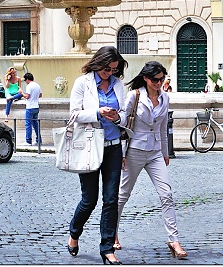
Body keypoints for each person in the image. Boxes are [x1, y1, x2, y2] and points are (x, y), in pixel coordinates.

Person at [116, 61, 187, 259]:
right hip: (135, 150)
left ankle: (174, 240)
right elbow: (123, 123)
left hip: (155, 151)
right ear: (146, 78)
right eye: (155, 80)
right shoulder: (134, 95)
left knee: (167, 194)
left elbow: (163, 127)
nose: (159, 83)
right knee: (123, 194)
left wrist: (165, 152)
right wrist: (122, 154)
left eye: (162, 79)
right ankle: (112, 233)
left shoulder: (165, 97)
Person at [66, 46, 128, 265]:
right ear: (98, 63)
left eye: (113, 70)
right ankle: (74, 233)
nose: (109, 73)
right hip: (90, 146)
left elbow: (125, 117)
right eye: (106, 68)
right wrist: (97, 113)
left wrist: (116, 118)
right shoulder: (82, 83)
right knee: (89, 199)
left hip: (112, 147)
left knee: (111, 199)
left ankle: (107, 248)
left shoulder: (118, 85)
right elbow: (73, 114)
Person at [22, 72, 42, 146]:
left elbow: (27, 96)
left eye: (25, 80)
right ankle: (38, 140)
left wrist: (21, 93)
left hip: (30, 107)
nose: (25, 82)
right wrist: (35, 97)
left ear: (27, 79)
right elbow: (40, 95)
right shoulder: (37, 85)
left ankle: (28, 141)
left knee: (28, 124)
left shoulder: (29, 86)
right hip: (36, 106)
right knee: (36, 124)